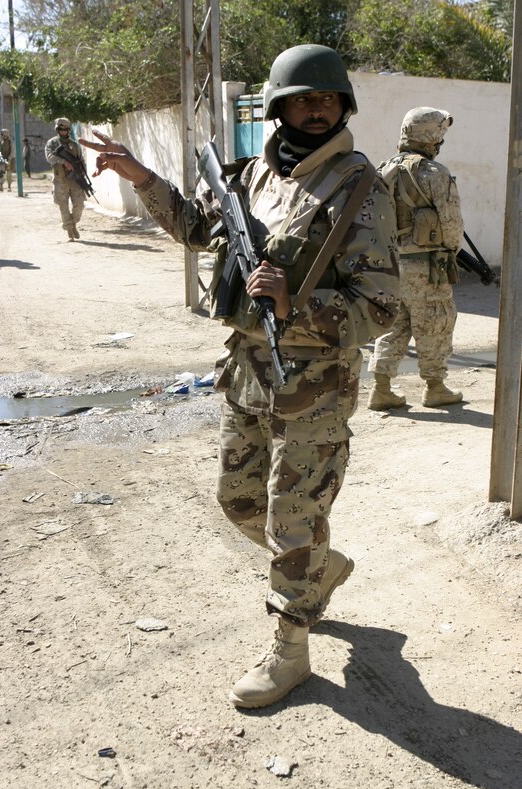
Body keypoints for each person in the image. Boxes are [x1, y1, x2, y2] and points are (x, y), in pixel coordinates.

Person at [80, 44, 400, 709]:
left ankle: (291, 646)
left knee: (291, 522)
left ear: (343, 105)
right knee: (239, 503)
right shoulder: (251, 174)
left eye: (327, 98)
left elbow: (380, 306)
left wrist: (297, 304)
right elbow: (199, 229)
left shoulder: (358, 187)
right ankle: (319, 569)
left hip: (314, 381)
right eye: (302, 99)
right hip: (248, 371)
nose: (316, 109)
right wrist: (144, 179)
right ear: (277, 107)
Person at [367, 107, 464, 410]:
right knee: (435, 321)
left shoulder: (383, 170)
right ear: (431, 136)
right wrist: (451, 249)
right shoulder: (435, 174)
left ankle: (381, 389)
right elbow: (451, 223)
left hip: (391, 265)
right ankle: (435, 387)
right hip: (427, 263)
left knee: (394, 324)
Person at [45, 117, 86, 240]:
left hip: (75, 179)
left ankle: (72, 223)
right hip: (60, 179)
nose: (63, 132)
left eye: (65, 130)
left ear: (68, 130)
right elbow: (49, 157)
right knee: (63, 206)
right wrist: (63, 162)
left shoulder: (74, 145)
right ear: (57, 130)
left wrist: (84, 173)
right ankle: (69, 228)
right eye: (60, 129)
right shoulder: (52, 143)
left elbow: (81, 160)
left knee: (79, 205)